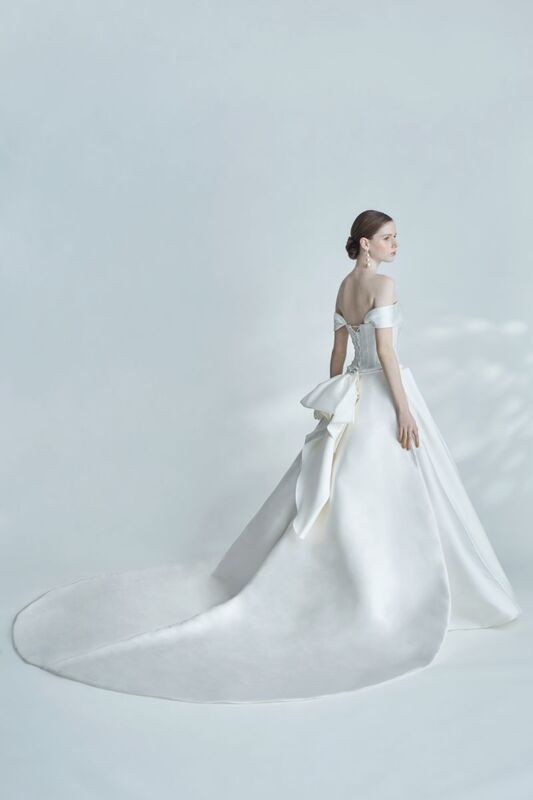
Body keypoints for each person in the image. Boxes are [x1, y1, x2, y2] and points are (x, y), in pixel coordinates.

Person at [12, 209, 522, 704]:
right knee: (387, 493)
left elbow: (338, 355)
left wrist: (336, 401)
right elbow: (386, 354)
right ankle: (393, 591)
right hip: (384, 396)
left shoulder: (344, 287)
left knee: (349, 493)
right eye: (388, 237)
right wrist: (403, 411)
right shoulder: (383, 286)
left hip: (352, 396)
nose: (395, 245)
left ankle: (357, 583)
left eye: (395, 236)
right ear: (366, 243)